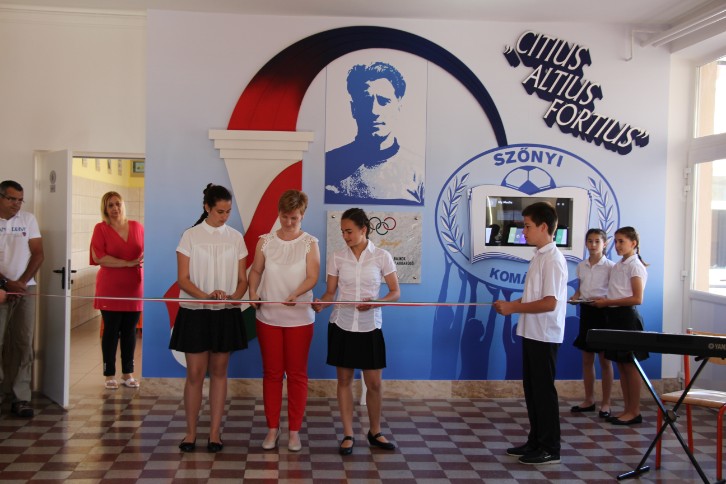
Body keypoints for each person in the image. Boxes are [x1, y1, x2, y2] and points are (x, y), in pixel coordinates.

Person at [313, 207, 401, 456]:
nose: (345, 236)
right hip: (342, 325)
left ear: (364, 229)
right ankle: (348, 434)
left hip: (370, 326)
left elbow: (395, 292)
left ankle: (375, 431)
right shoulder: (337, 257)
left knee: (374, 383)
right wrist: (321, 303)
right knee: (344, 381)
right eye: (342, 232)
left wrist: (376, 303)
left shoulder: (382, 256)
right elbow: (330, 293)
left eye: (349, 231)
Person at [169, 184, 249, 453]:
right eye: (219, 211)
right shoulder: (190, 236)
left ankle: (215, 433)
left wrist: (233, 297)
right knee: (194, 373)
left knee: (219, 372)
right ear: (207, 207)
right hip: (195, 312)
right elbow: (183, 279)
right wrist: (206, 296)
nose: (224, 216)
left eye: (228, 211)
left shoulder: (236, 238)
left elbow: (242, 280)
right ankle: (190, 433)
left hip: (225, 313)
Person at [493, 201, 567, 465]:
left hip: (545, 335)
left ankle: (550, 447)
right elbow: (534, 296)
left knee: (544, 392)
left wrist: (513, 307)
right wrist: (512, 304)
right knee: (533, 390)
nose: (523, 232)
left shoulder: (554, 260)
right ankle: (535, 441)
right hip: (532, 332)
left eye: (527, 226)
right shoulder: (538, 256)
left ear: (543, 227)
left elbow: (549, 303)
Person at [248, 190, 320, 452]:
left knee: (297, 374)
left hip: (299, 318)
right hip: (268, 316)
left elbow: (312, 276)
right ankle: (272, 429)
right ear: (278, 213)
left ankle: (294, 432)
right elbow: (256, 271)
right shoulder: (265, 242)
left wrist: (296, 294)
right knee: (272, 374)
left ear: (302, 216)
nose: (289, 222)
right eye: (284, 216)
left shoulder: (310, 243)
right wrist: (253, 292)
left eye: (294, 218)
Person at [325, 61, 424, 204]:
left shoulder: (419, 172)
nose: (374, 111)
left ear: (399, 107)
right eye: (366, 101)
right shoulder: (329, 164)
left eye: (384, 101)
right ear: (354, 108)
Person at [591, 226, 648, 426]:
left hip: (627, 318)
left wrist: (608, 302)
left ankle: (634, 410)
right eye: (615, 241)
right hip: (615, 317)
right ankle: (627, 409)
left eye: (621, 241)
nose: (617, 245)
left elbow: (637, 298)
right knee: (622, 365)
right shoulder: (618, 265)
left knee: (630, 365)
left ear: (634, 243)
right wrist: (605, 301)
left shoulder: (635, 266)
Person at [90, 191, 144, 390]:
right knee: (111, 331)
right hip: (110, 286)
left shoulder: (137, 227)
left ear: (123, 205)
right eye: (110, 205)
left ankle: (128, 373)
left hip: (134, 286)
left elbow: (147, 251)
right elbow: (99, 257)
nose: (115, 208)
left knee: (130, 331)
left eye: (117, 204)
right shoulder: (101, 228)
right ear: (105, 209)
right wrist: (128, 263)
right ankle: (109, 374)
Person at [0, 180, 44, 418]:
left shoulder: (28, 219)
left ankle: (21, 398)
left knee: (23, 343)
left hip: (25, 290)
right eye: (11, 199)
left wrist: (22, 282)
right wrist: (6, 283)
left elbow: (38, 254)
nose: (16, 204)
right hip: (1, 290)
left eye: (20, 200)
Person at [569, 228, 614, 418]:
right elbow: (580, 289)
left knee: (605, 360)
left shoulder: (611, 267)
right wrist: (575, 297)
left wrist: (604, 301)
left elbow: (614, 292)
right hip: (586, 311)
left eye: (597, 241)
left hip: (603, 313)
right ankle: (589, 400)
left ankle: (606, 403)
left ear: (604, 243)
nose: (593, 245)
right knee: (587, 359)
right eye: (590, 241)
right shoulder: (581, 266)